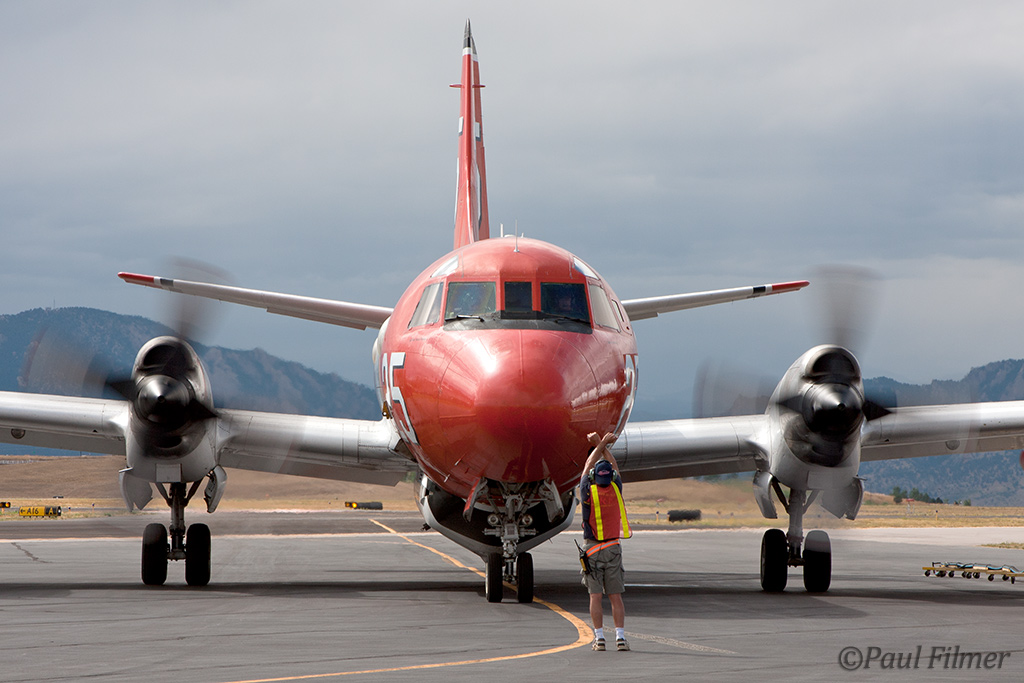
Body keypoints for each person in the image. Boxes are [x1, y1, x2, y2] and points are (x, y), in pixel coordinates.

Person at [579, 431, 631, 652]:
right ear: (610, 477)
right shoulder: (616, 489)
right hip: (612, 548)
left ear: (594, 477)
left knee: (595, 596)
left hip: (592, 549)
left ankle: (599, 638)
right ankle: (620, 638)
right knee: (615, 597)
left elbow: (586, 467)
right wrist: (605, 444)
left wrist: (597, 444)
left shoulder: (587, 491)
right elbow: (615, 467)